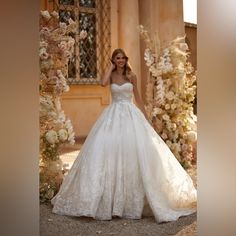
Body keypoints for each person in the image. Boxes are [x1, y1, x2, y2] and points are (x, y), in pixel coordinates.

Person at [51, 48, 197, 223]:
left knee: (134, 152)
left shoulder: (131, 75)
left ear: (126, 59)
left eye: (122, 58)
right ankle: (107, 201)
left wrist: (146, 118)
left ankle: (134, 201)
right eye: (117, 58)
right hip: (112, 116)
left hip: (130, 115)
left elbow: (138, 98)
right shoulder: (111, 75)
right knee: (108, 151)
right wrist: (109, 68)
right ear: (113, 60)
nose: (120, 60)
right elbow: (103, 83)